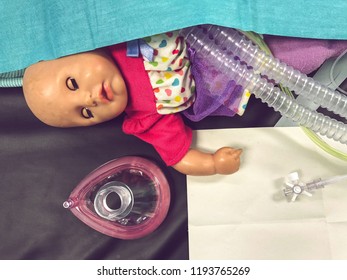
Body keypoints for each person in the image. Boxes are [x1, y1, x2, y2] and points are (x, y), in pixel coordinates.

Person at [23, 30, 244, 176]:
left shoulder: (115, 30)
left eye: (72, 83)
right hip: (238, 68)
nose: (88, 100)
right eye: (85, 113)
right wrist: (214, 164)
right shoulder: (146, 117)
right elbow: (179, 156)